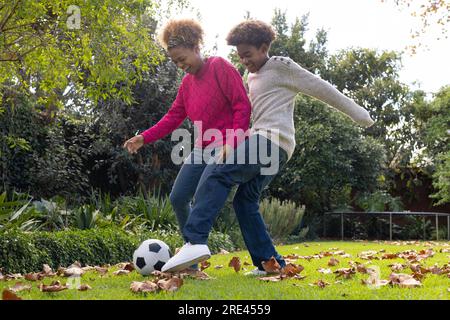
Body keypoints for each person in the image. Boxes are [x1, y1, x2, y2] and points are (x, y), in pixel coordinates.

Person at [161, 19, 375, 274]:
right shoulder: (250, 76)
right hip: (265, 144)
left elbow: (321, 88)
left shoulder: (282, 66)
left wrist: (359, 115)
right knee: (245, 202)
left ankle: (194, 240)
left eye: (248, 54)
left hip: (272, 141)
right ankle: (270, 264)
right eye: (240, 56)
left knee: (218, 171)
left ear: (264, 47)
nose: (245, 61)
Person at [123, 19, 251, 268]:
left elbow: (242, 106)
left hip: (225, 143)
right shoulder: (187, 85)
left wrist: (233, 141)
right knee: (178, 197)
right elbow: (172, 117)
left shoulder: (219, 67)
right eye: (175, 62)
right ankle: (191, 262)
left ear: (195, 47)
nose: (181, 66)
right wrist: (144, 137)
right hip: (202, 147)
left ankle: (194, 245)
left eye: (183, 59)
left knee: (205, 191)